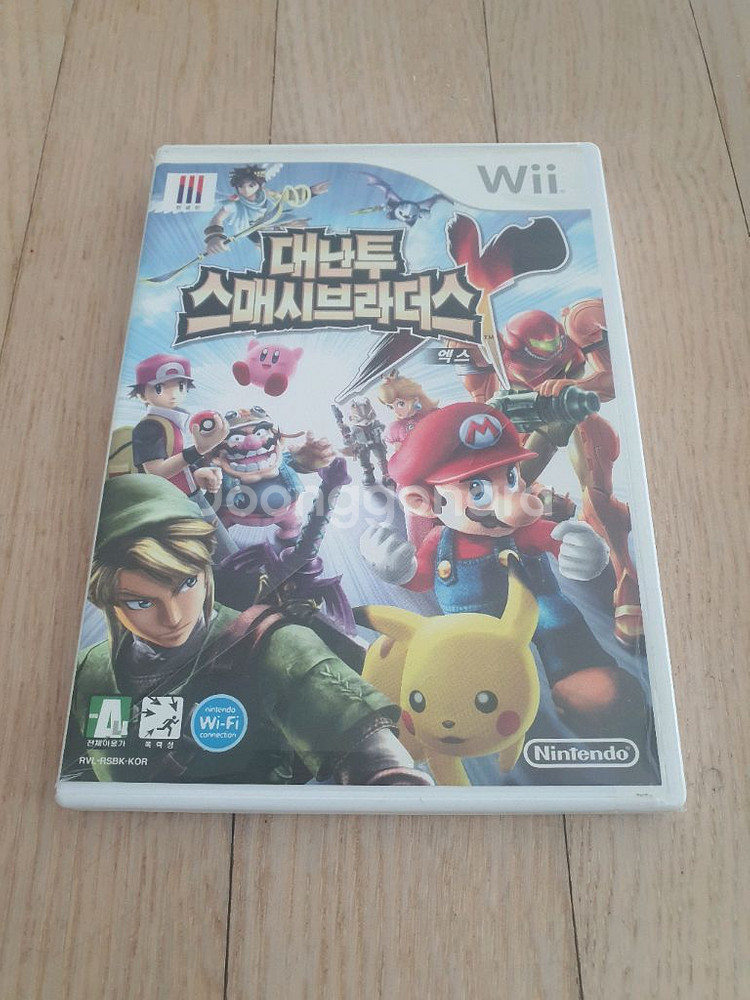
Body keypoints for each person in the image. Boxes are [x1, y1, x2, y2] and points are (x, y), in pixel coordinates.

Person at [64, 475, 431, 786]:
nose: (173, 617)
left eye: (187, 584)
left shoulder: (275, 646)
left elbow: (379, 760)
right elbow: (68, 776)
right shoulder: (88, 671)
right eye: (141, 602)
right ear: (105, 599)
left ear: (206, 571)